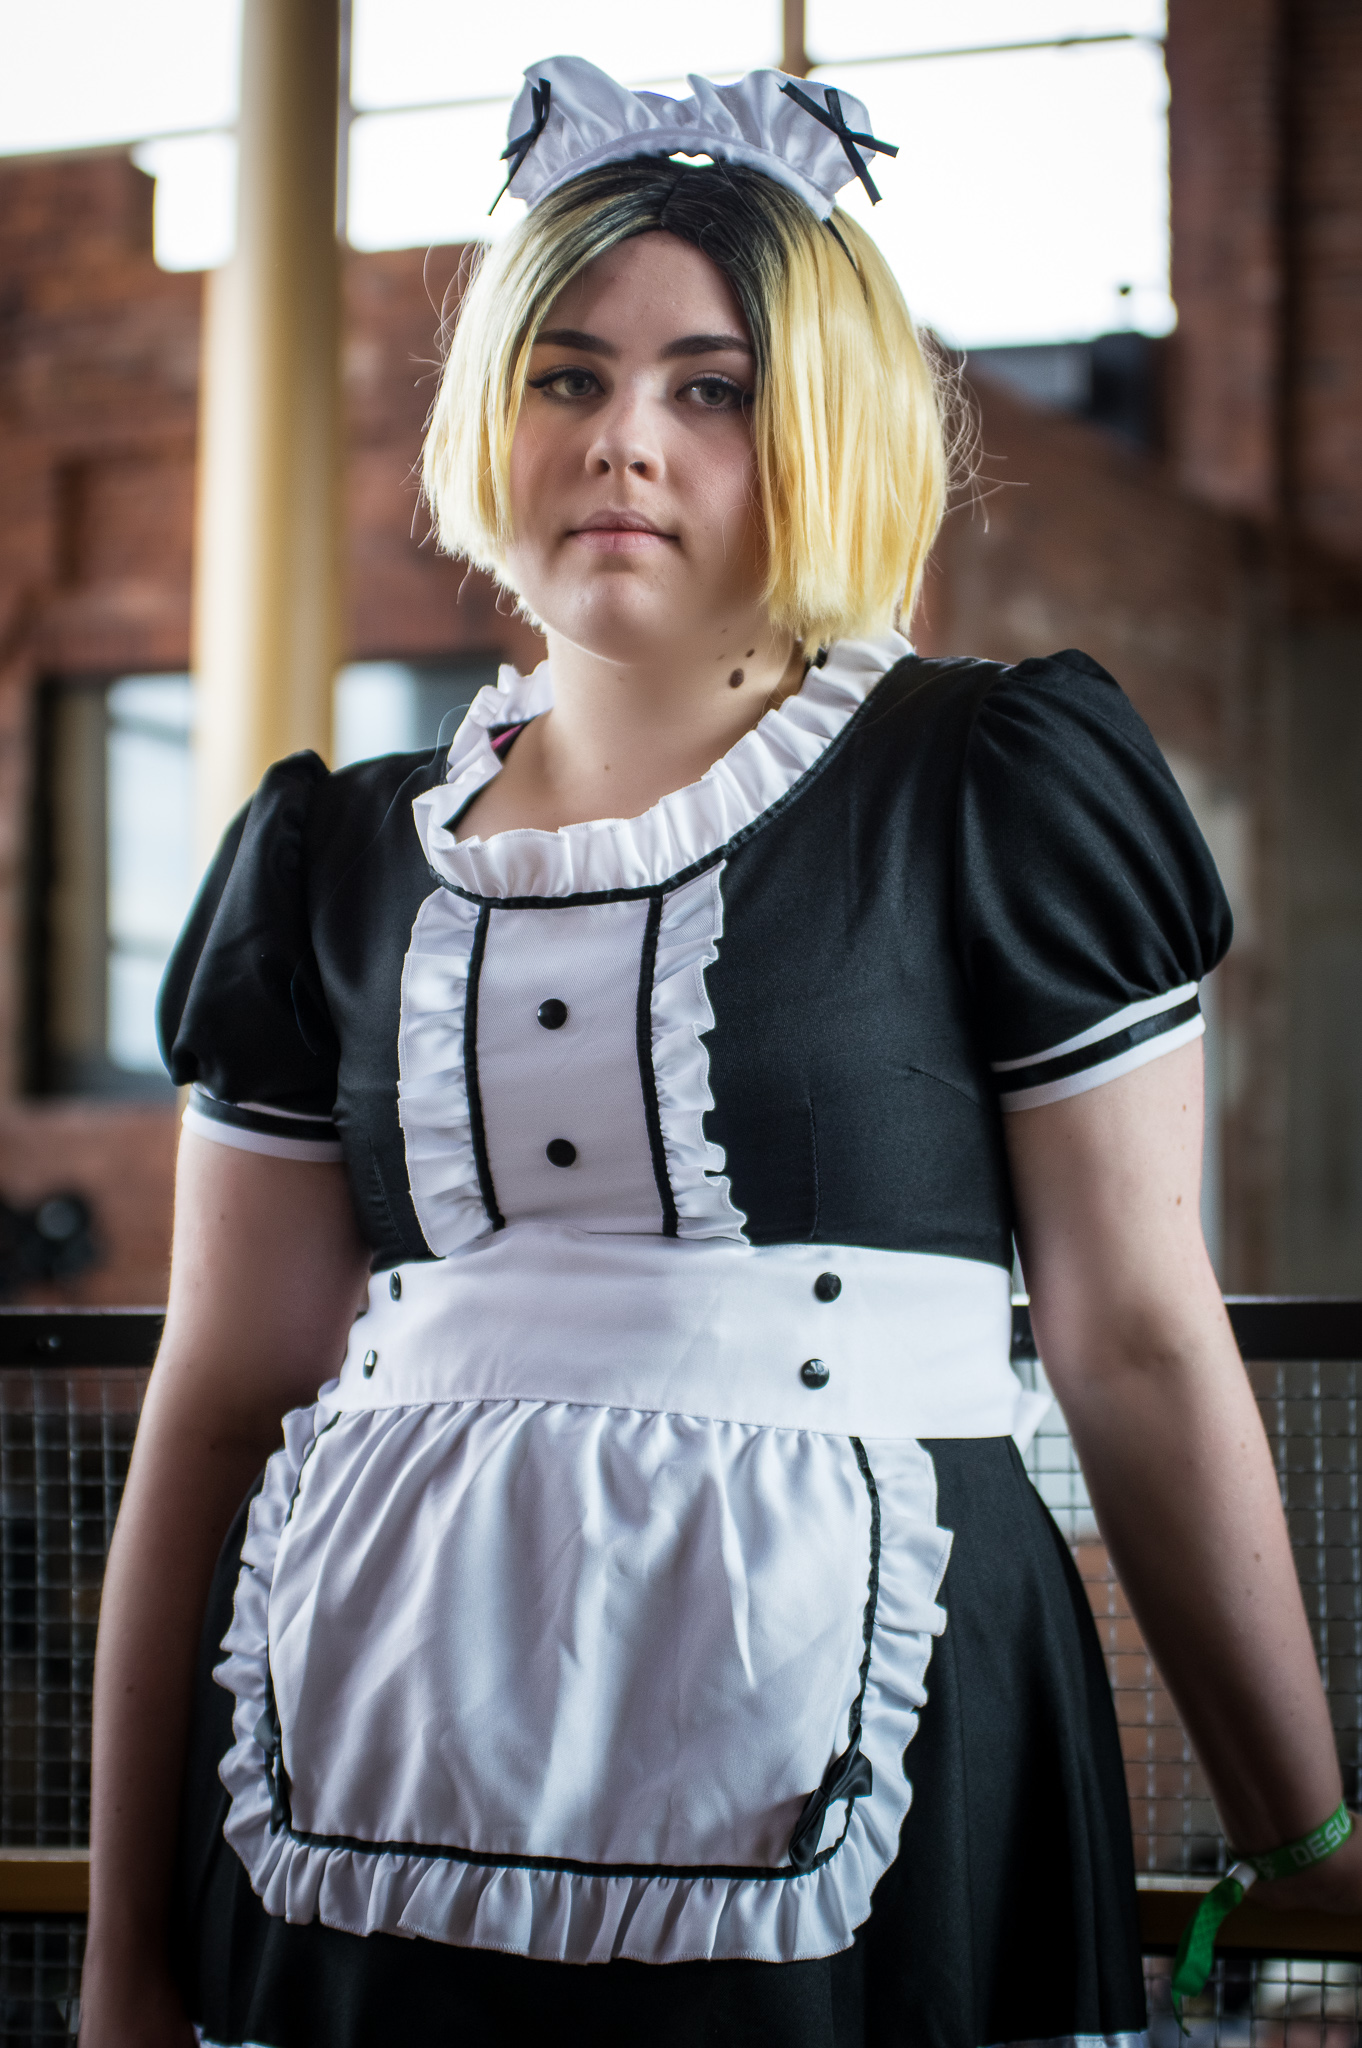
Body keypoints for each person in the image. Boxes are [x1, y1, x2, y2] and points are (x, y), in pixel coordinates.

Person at [81, 56, 1362, 2048]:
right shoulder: (326, 858)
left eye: (714, 388)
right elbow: (220, 1397)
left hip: (876, 1739)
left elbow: (1131, 1334)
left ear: (827, 423)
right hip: (361, 1774)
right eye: (568, 375)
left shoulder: (986, 783)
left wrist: (1301, 1831)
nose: (623, 439)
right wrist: (124, 1958)